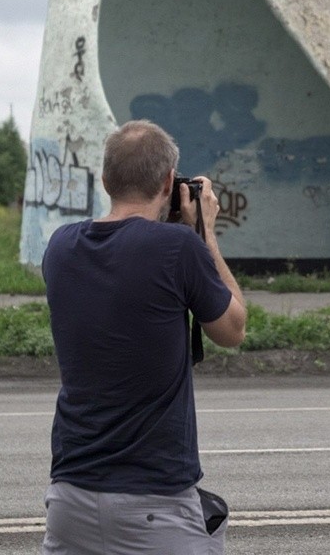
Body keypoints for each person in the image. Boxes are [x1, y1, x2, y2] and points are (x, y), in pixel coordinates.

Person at [40, 120, 247, 555]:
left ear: (104, 179)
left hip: (70, 497)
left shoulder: (60, 247)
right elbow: (232, 329)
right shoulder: (177, 248)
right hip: (154, 504)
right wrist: (205, 233)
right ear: (170, 181)